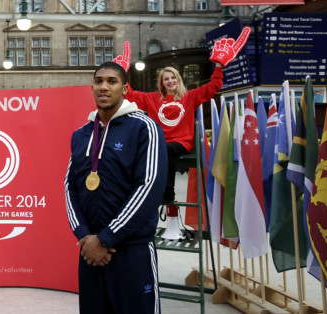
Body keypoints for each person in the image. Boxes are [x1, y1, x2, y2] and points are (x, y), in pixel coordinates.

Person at [64, 61, 167, 313]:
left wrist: (106, 238)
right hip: (90, 252)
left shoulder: (145, 127)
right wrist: (85, 236)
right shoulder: (81, 134)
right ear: (92, 87)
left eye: (112, 81)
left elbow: (149, 187)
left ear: (125, 88)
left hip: (132, 250)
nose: (104, 87)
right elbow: (70, 188)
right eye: (99, 81)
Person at [113, 28, 250, 205]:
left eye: (173, 78)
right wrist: (121, 75)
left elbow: (214, 85)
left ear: (178, 79)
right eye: (166, 79)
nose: (170, 81)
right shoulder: (152, 98)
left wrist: (218, 65)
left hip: (180, 143)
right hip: (159, 141)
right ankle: (139, 190)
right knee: (140, 148)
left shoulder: (190, 97)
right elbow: (129, 94)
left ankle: (167, 192)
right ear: (161, 83)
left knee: (165, 149)